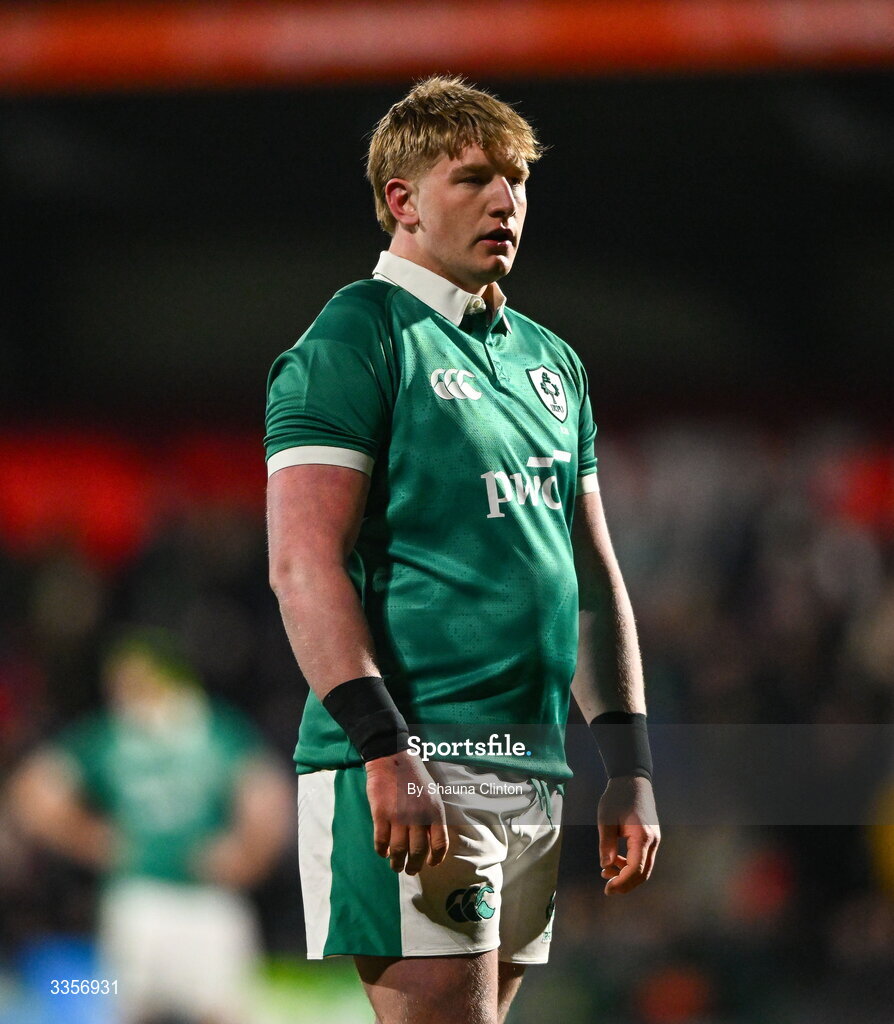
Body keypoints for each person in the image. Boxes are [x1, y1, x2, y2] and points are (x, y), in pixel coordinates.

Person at [265, 75, 660, 1024]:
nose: (505, 202)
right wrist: (383, 747)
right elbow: (302, 562)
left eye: (518, 181)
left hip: (531, 764)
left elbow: (591, 579)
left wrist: (632, 764)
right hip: (419, 763)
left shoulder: (550, 360)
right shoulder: (355, 337)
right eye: (474, 178)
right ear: (402, 201)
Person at [7, 628, 293, 1024]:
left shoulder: (213, 728)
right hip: (138, 895)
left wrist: (248, 856)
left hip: (207, 897)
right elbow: (34, 791)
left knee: (224, 1011)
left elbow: (266, 793)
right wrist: (92, 839)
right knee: (135, 1010)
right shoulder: (109, 734)